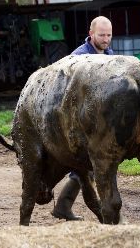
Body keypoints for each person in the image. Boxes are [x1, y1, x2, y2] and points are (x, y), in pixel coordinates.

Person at [51, 16, 114, 221]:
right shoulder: (78, 58)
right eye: (102, 35)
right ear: (91, 34)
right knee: (87, 165)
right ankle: (106, 213)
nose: (106, 39)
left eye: (109, 35)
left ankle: (63, 206)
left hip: (100, 122)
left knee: (86, 167)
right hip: (79, 122)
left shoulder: (110, 55)